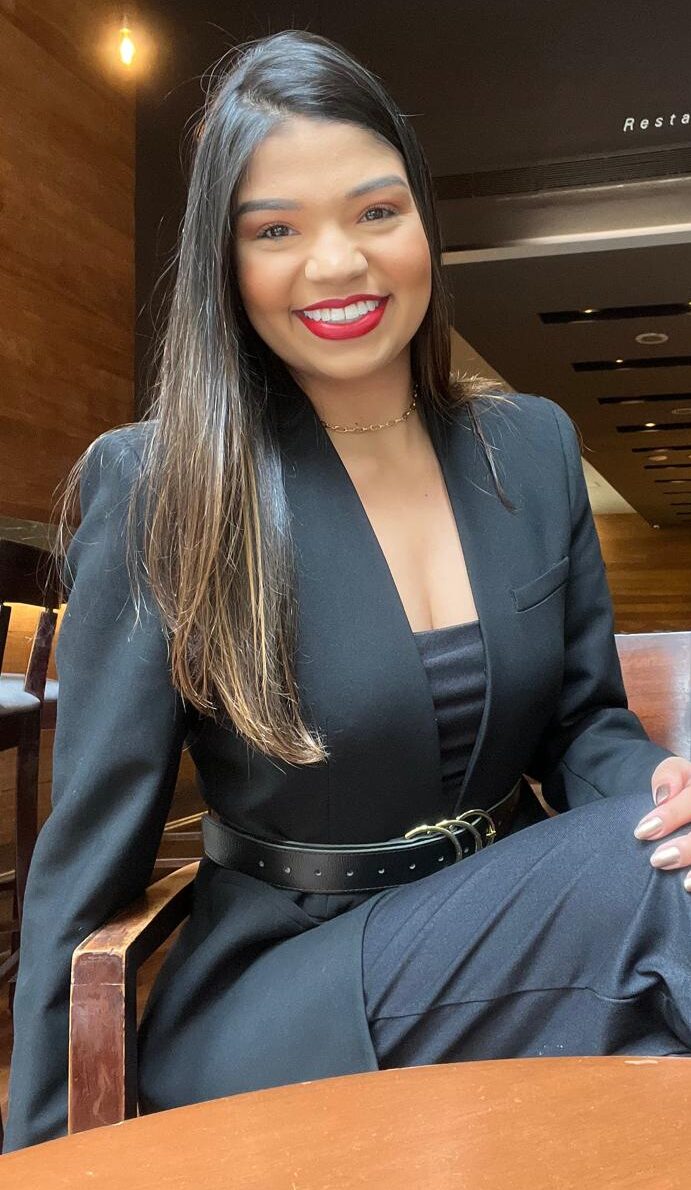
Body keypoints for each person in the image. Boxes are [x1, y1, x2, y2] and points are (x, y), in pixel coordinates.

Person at [4, 29, 691, 1154]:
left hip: (513, 930)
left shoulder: (529, 448)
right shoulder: (165, 485)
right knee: (659, 892)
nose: (337, 263)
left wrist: (662, 792)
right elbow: (85, 862)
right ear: (226, 262)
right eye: (275, 229)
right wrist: (45, 1160)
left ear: (423, 220)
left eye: (376, 211)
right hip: (286, 981)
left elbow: (582, 724)